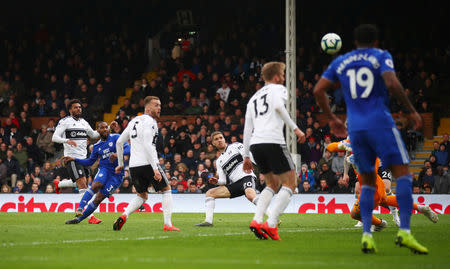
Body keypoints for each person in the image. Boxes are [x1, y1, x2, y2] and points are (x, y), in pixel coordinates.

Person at [314, 24, 428, 253]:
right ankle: (405, 232)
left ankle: (367, 235)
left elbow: (318, 90)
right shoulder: (380, 55)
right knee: (403, 175)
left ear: (355, 43)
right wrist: (410, 110)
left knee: (366, 182)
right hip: (380, 122)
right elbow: (392, 83)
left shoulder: (342, 61)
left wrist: (332, 119)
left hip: (356, 128)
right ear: (375, 42)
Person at [242, 61, 305, 240]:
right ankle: (271, 224)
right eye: (283, 75)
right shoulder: (278, 89)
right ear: (276, 77)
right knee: (291, 183)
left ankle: (257, 219)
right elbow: (278, 106)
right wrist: (295, 128)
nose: (284, 78)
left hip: (255, 144)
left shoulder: (253, 98)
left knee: (272, 184)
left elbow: (247, 128)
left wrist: (246, 155)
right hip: (273, 141)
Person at [114, 96, 179, 232]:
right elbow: (148, 145)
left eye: (160, 105)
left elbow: (119, 142)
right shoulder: (151, 121)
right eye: (156, 105)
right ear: (148, 108)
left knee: (142, 195)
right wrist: (155, 168)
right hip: (148, 163)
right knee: (166, 190)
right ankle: (167, 224)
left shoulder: (133, 121)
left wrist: (120, 164)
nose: (159, 107)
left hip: (133, 166)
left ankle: (124, 215)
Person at [52, 99, 115, 224]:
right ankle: (90, 216)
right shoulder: (65, 122)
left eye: (80, 107)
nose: (78, 109)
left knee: (79, 183)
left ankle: (58, 184)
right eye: (75, 107)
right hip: (71, 158)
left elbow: (94, 135)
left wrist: (107, 128)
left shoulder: (84, 123)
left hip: (84, 158)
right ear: (70, 110)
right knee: (83, 185)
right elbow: (55, 137)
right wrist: (66, 141)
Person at [64, 122, 130, 224]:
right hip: (105, 169)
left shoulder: (116, 137)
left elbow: (128, 149)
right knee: (96, 184)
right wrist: (74, 159)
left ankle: (78, 220)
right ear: (97, 131)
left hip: (117, 175)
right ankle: (80, 209)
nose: (105, 129)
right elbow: (90, 162)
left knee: (98, 198)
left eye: (106, 127)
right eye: (102, 128)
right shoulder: (96, 146)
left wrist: (117, 154)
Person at [195, 131, 260, 226]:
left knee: (250, 195)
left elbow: (247, 156)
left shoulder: (236, 146)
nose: (219, 140)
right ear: (213, 143)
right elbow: (223, 181)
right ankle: (208, 221)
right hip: (236, 185)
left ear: (224, 139)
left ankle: (273, 217)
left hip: (247, 177)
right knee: (210, 193)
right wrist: (216, 182)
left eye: (221, 137)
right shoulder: (219, 161)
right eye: (216, 139)